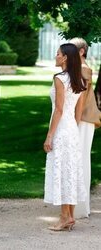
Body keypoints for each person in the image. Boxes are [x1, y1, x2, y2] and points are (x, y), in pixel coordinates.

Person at [43, 43, 87, 231]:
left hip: (61, 129)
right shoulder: (79, 80)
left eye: (58, 53)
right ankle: (69, 216)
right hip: (72, 130)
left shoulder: (60, 78)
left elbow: (59, 109)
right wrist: (73, 129)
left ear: (65, 58)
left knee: (62, 170)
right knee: (71, 170)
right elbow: (78, 111)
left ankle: (64, 217)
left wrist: (49, 135)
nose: (56, 56)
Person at [69, 37, 101, 219]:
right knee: (79, 159)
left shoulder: (83, 69)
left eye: (72, 50)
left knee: (79, 159)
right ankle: (80, 206)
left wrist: (73, 121)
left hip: (83, 119)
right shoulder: (80, 69)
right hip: (82, 119)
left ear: (81, 52)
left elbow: (79, 100)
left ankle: (79, 207)